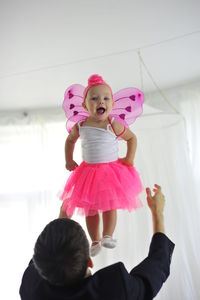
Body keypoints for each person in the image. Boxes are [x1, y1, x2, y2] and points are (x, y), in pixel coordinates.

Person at [19, 184, 174, 300]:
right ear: (89, 261)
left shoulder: (31, 287)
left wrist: (62, 224)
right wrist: (157, 212)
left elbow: (45, 257)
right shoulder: (114, 290)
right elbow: (157, 265)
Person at [59, 74, 143, 256]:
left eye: (106, 98)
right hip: (87, 173)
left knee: (109, 205)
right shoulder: (81, 125)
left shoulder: (112, 124)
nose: (100, 102)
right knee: (90, 210)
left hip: (110, 172)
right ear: (85, 105)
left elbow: (132, 138)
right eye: (94, 98)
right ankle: (95, 240)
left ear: (112, 103)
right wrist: (68, 159)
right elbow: (70, 141)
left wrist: (129, 159)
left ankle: (107, 235)